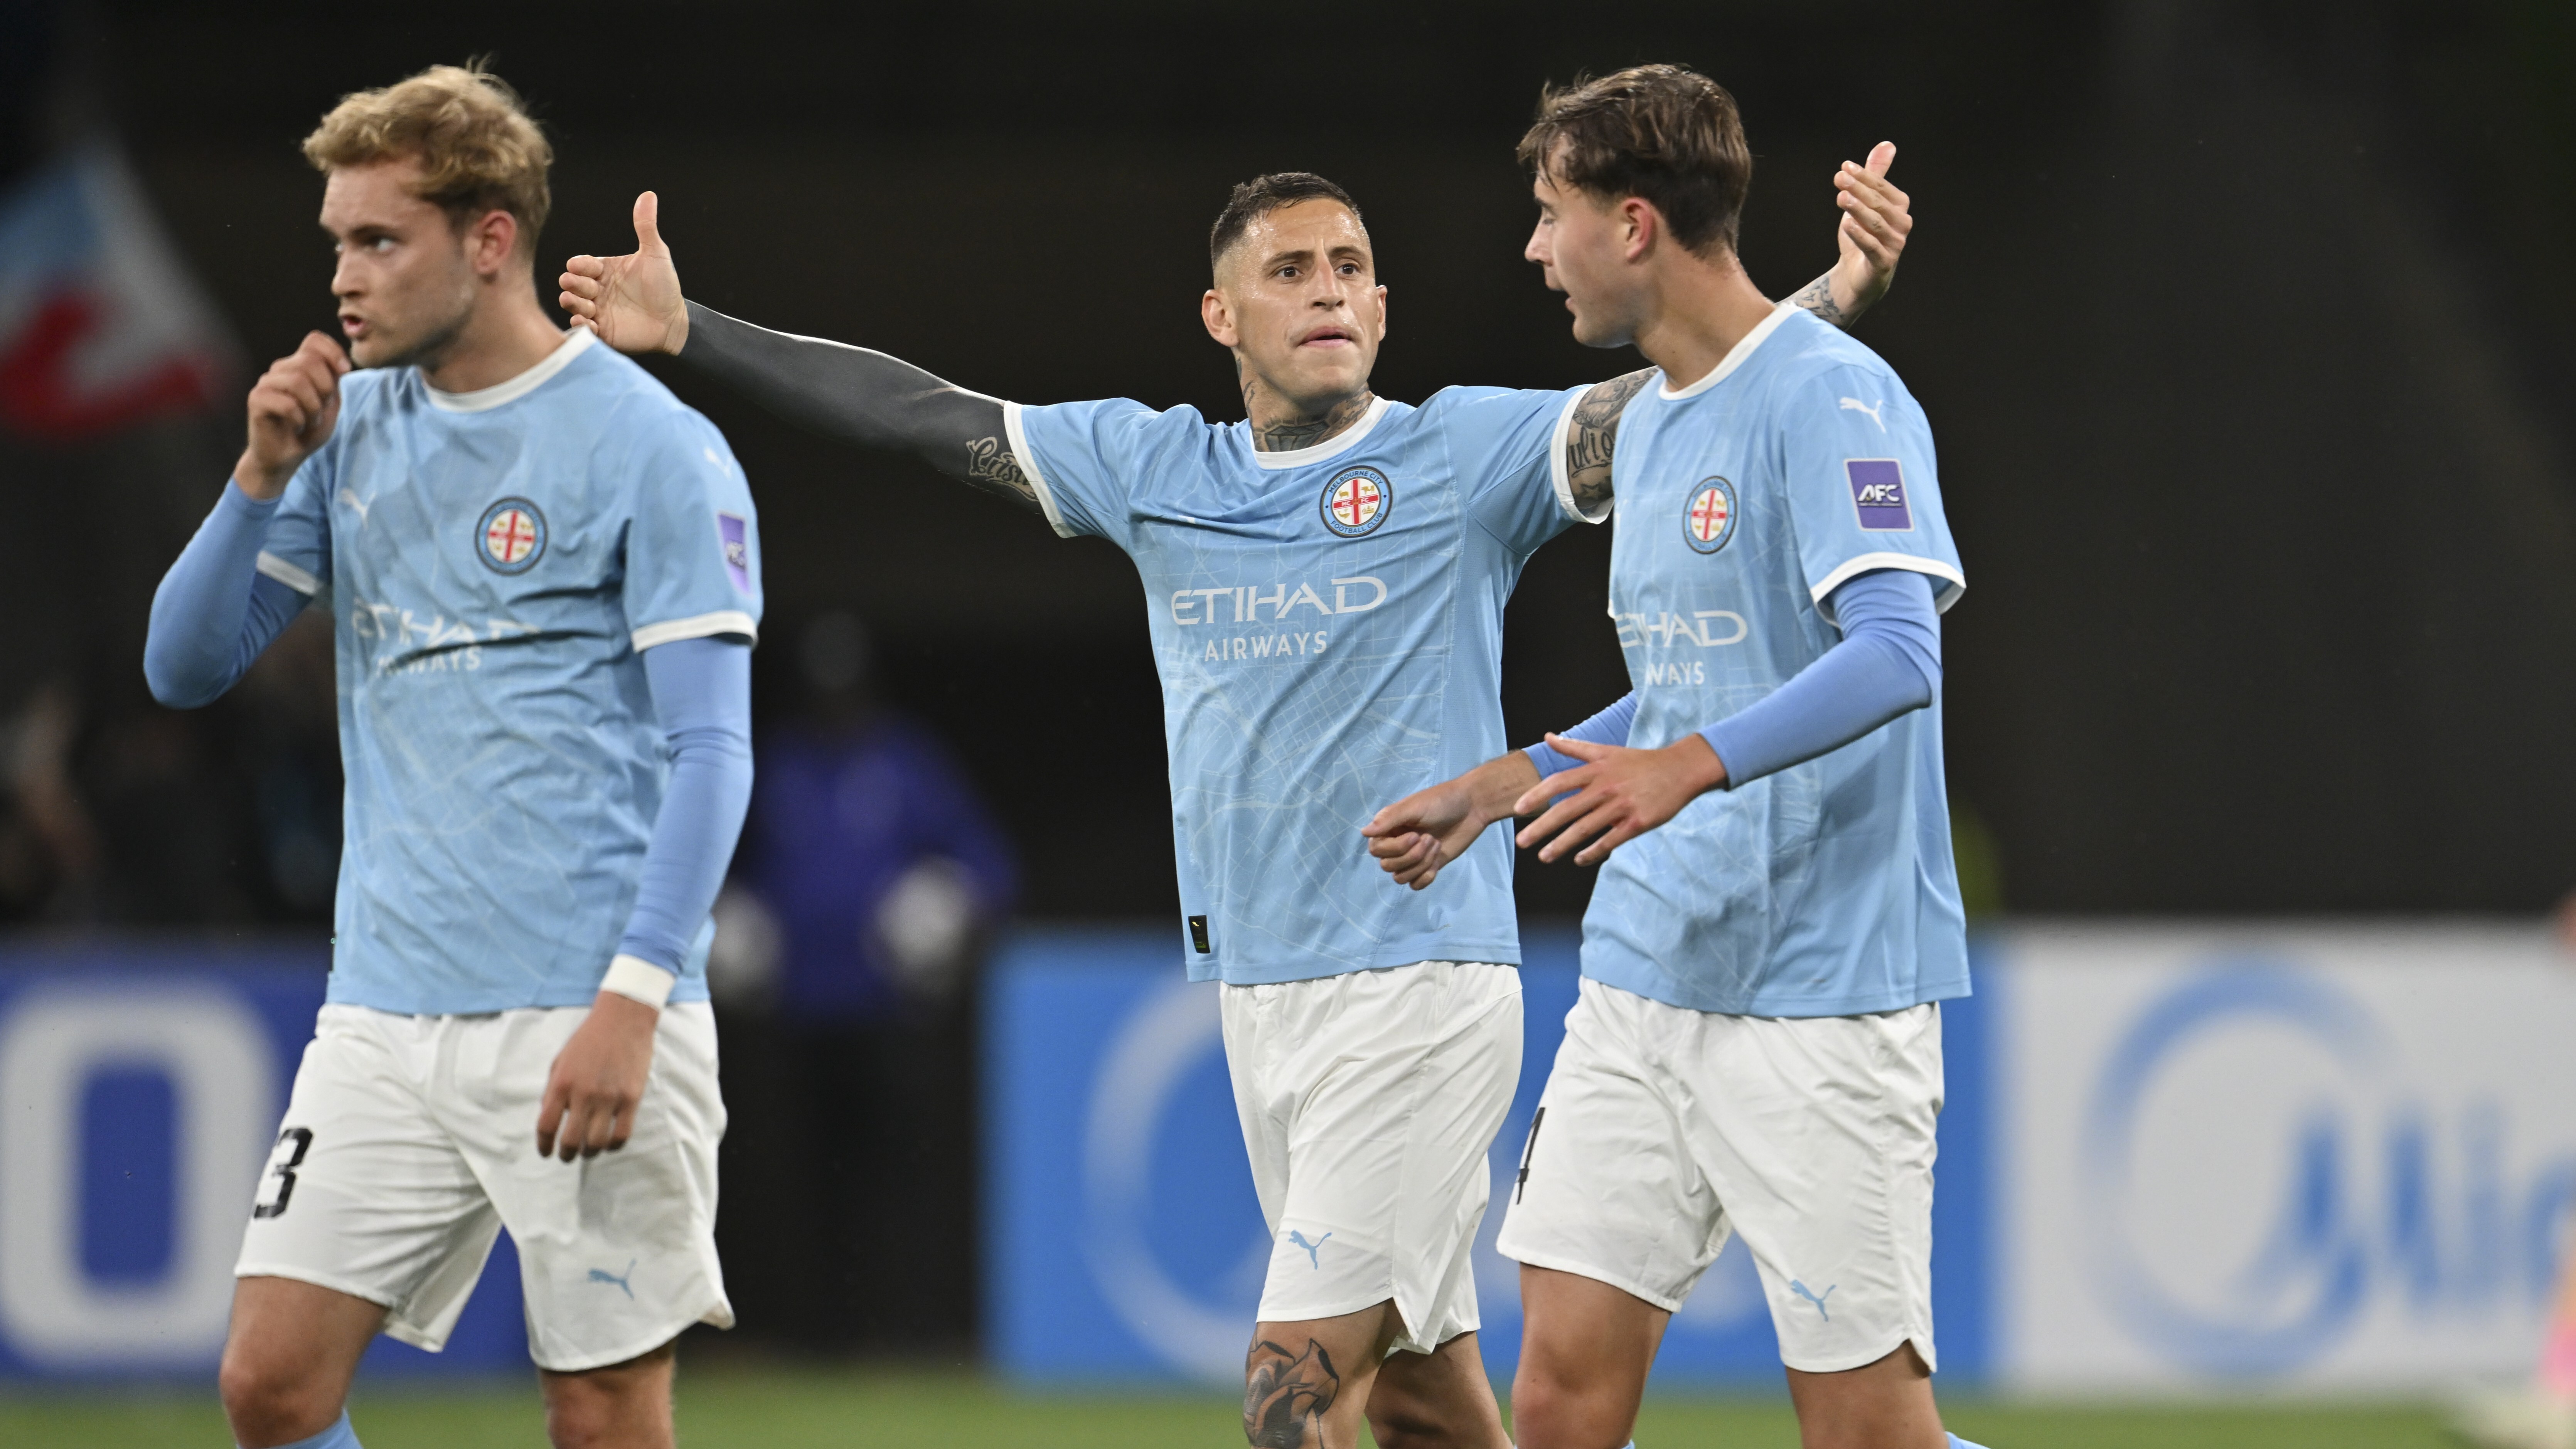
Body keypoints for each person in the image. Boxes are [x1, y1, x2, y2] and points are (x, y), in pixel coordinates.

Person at [558, 147, 1909, 1449]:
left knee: (1288, 1398)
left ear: (1382, 307)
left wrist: (1830, 297)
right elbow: (922, 414)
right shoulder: (1152, 470)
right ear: (1221, 317)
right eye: (1290, 271)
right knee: (1423, 1411)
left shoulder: (1462, 455)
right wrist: (692, 331)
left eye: (1351, 269)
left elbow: (1680, 394)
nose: (1328, 292)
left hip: (1418, 990)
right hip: (1260, 1000)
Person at [142, 65, 759, 1449]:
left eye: (380, 239)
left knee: (600, 1418)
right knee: (269, 1387)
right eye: (337, 243)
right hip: (384, 1011)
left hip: (588, 1005)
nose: (344, 278)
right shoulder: (343, 434)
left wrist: (633, 1001)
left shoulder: (654, 448)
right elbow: (183, 668)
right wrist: (257, 476)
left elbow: (712, 751)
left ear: (488, 240)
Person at [1364, 66, 1981, 1449]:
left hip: (1822, 995)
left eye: (1551, 213)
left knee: (1868, 1434)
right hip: (1645, 979)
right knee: (1557, 1404)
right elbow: (1692, 686)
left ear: (1632, 224)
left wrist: (1689, 764)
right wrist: (1508, 782)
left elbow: (1897, 652)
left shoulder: (1834, 395)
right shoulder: (1646, 422)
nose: (1536, 250)